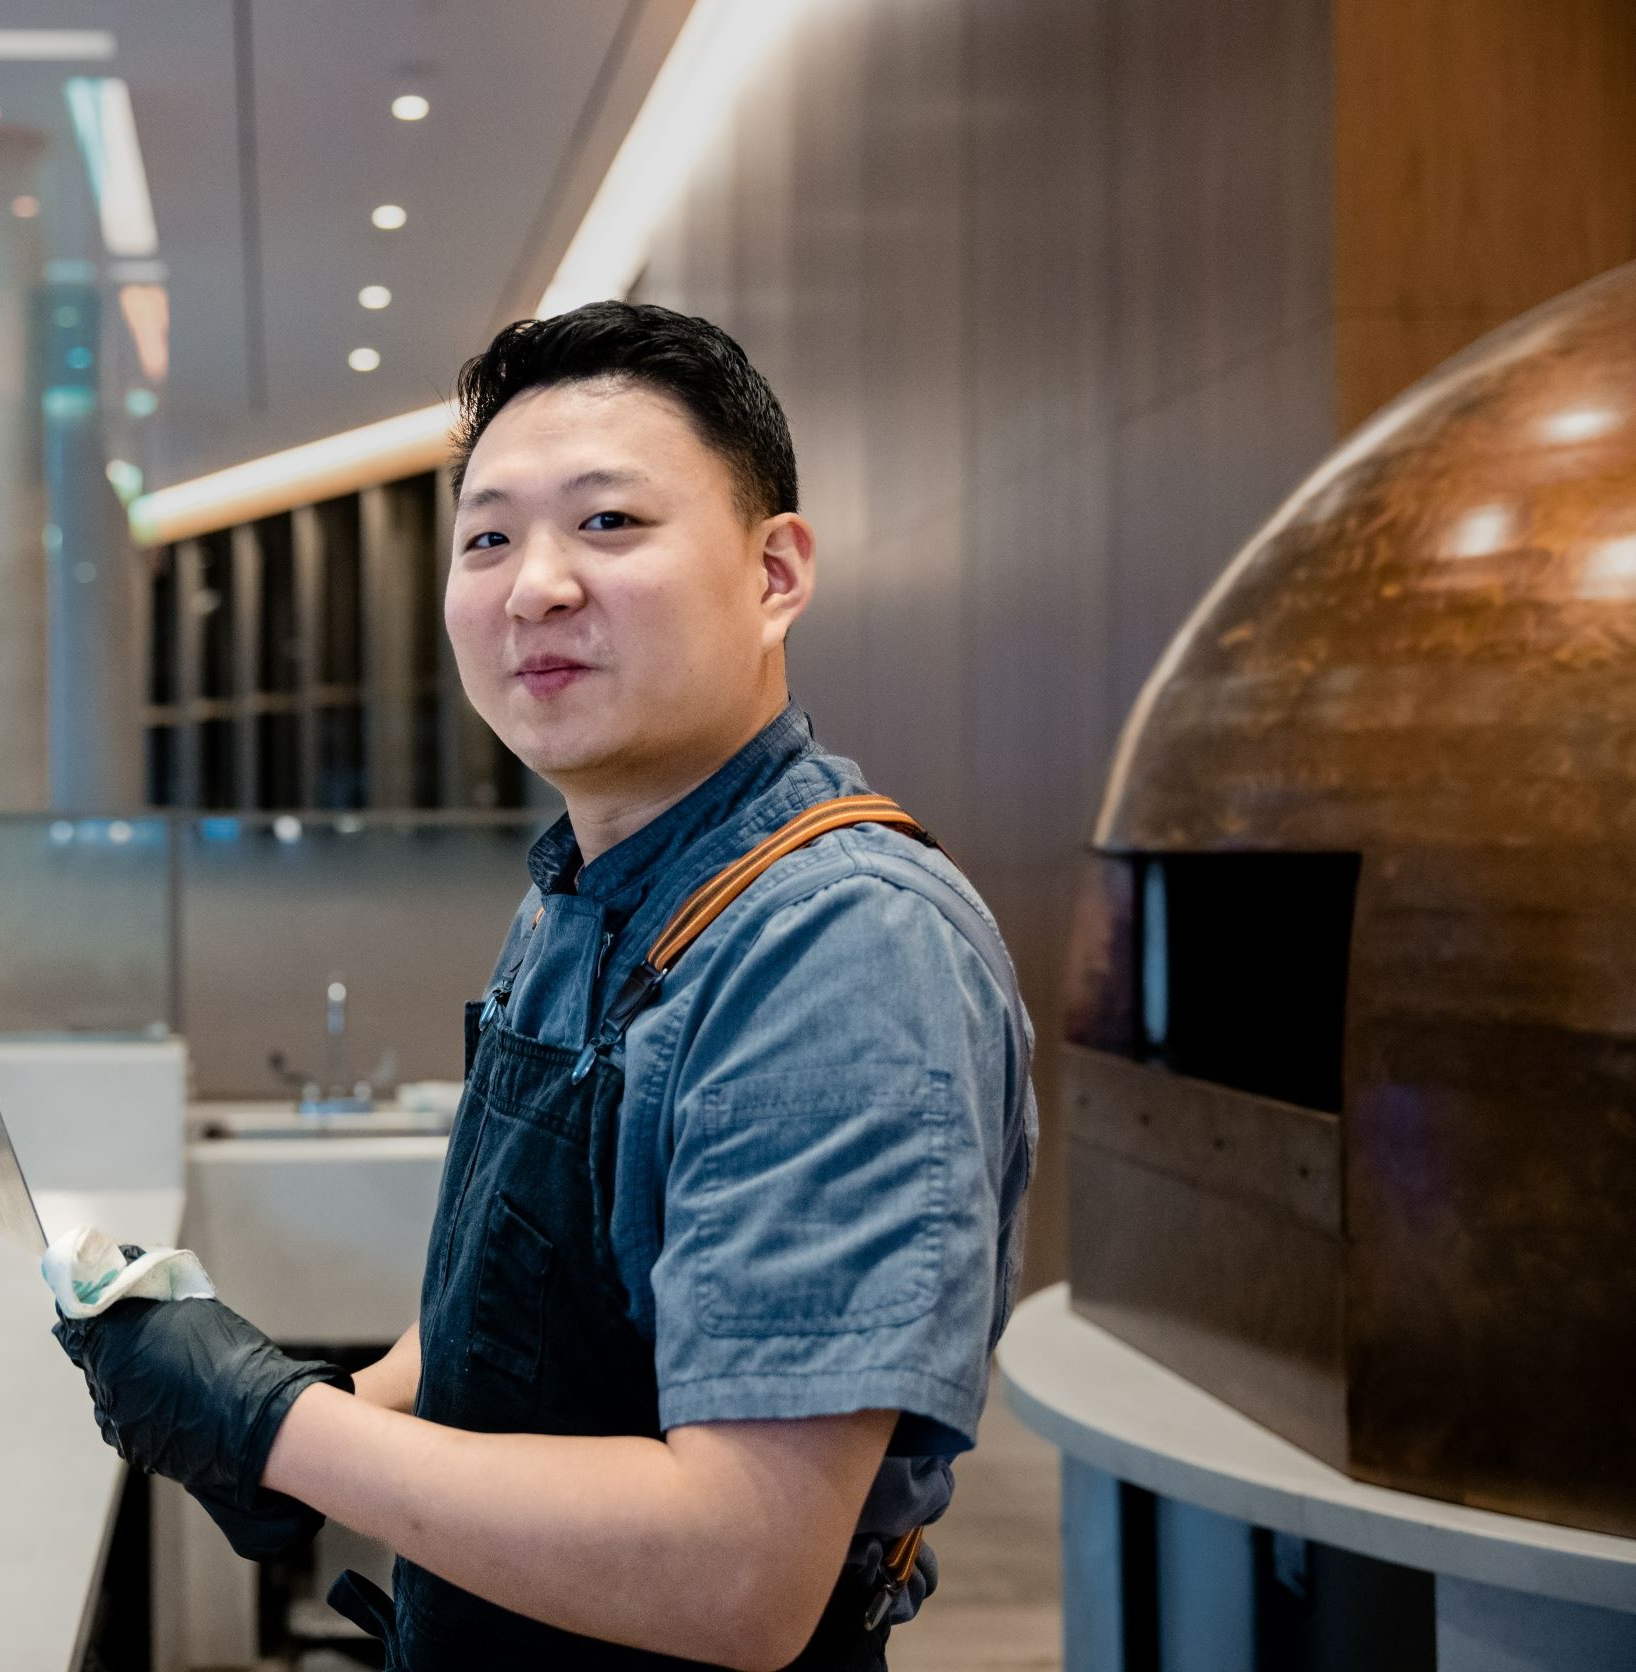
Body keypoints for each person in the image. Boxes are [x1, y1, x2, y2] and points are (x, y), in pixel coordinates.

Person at [55, 301, 1036, 1671]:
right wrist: (306, 1410)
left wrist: (283, 1427)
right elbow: (498, 1323)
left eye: (610, 525)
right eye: (489, 539)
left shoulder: (839, 949)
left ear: (776, 573)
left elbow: (743, 1567)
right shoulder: (576, 892)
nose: (535, 587)